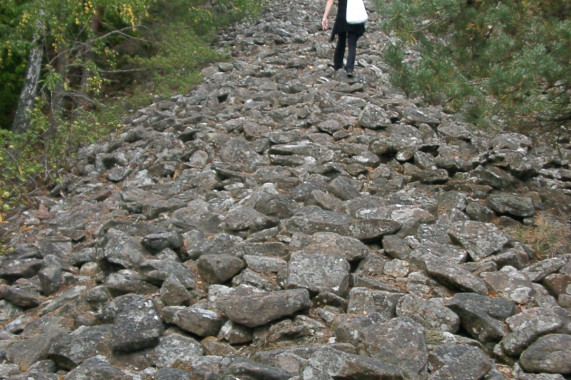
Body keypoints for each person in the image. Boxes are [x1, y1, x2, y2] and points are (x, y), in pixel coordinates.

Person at [322, 0, 366, 77]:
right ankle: (350, 68)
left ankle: (338, 65)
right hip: (355, 14)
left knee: (341, 40)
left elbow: (330, 1)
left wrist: (325, 17)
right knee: (352, 43)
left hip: (342, 15)